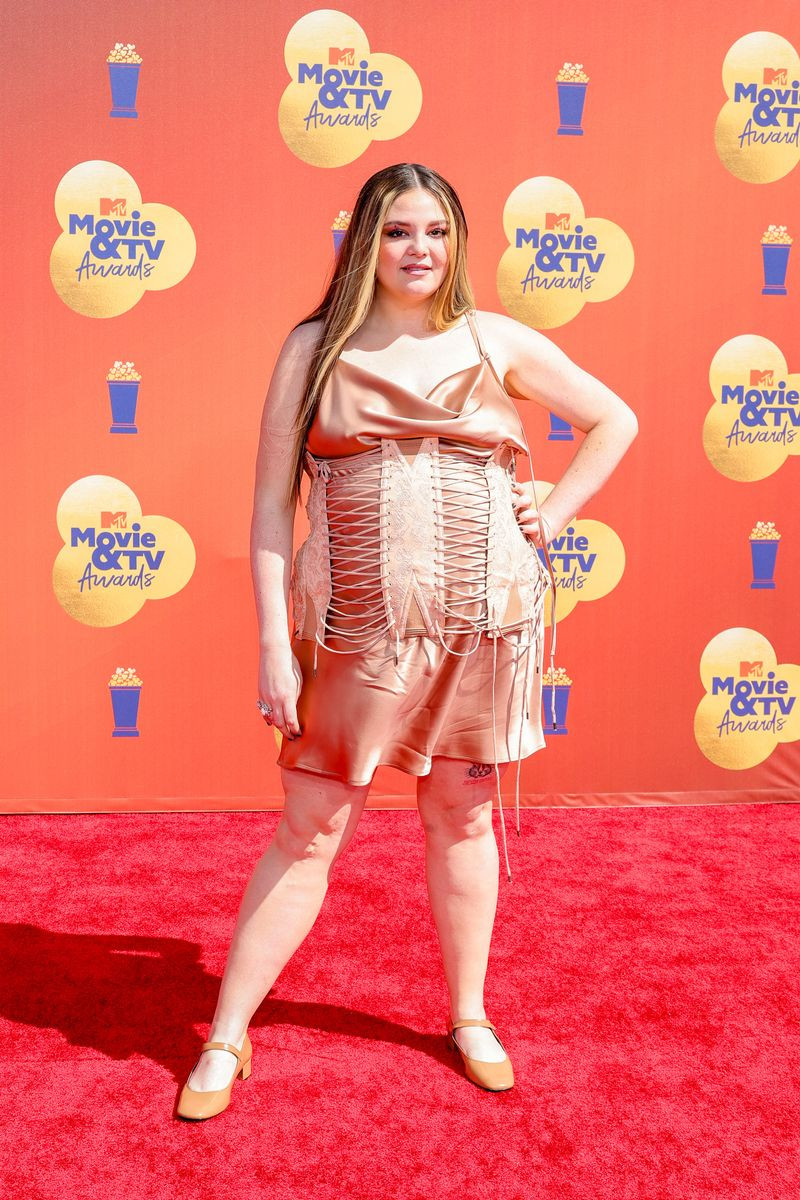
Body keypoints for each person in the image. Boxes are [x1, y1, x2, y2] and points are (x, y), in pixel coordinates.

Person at [176, 163, 637, 1120]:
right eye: (396, 231)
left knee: (462, 815)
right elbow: (269, 507)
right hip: (355, 627)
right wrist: (272, 641)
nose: (418, 249)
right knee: (311, 826)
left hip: (483, 621)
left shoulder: (494, 339)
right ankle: (225, 1033)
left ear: (457, 241)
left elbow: (614, 419)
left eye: (435, 230)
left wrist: (553, 510)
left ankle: (469, 1016)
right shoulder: (314, 348)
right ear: (363, 243)